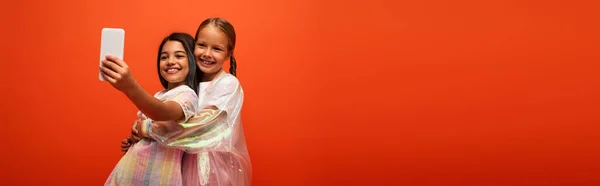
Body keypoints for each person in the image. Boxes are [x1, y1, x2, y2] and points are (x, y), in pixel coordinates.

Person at [116, 17, 252, 186]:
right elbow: (168, 114)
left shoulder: (227, 84)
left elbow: (201, 126)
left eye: (216, 48)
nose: (207, 53)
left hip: (212, 170)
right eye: (202, 45)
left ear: (228, 54)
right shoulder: (185, 84)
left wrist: (148, 129)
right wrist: (138, 138)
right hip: (179, 165)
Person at [102, 33, 199, 186]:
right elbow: (154, 124)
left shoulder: (188, 95)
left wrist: (130, 86)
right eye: (164, 57)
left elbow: (162, 113)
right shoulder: (159, 95)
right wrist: (135, 138)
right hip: (129, 175)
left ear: (192, 61)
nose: (170, 62)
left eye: (179, 56)